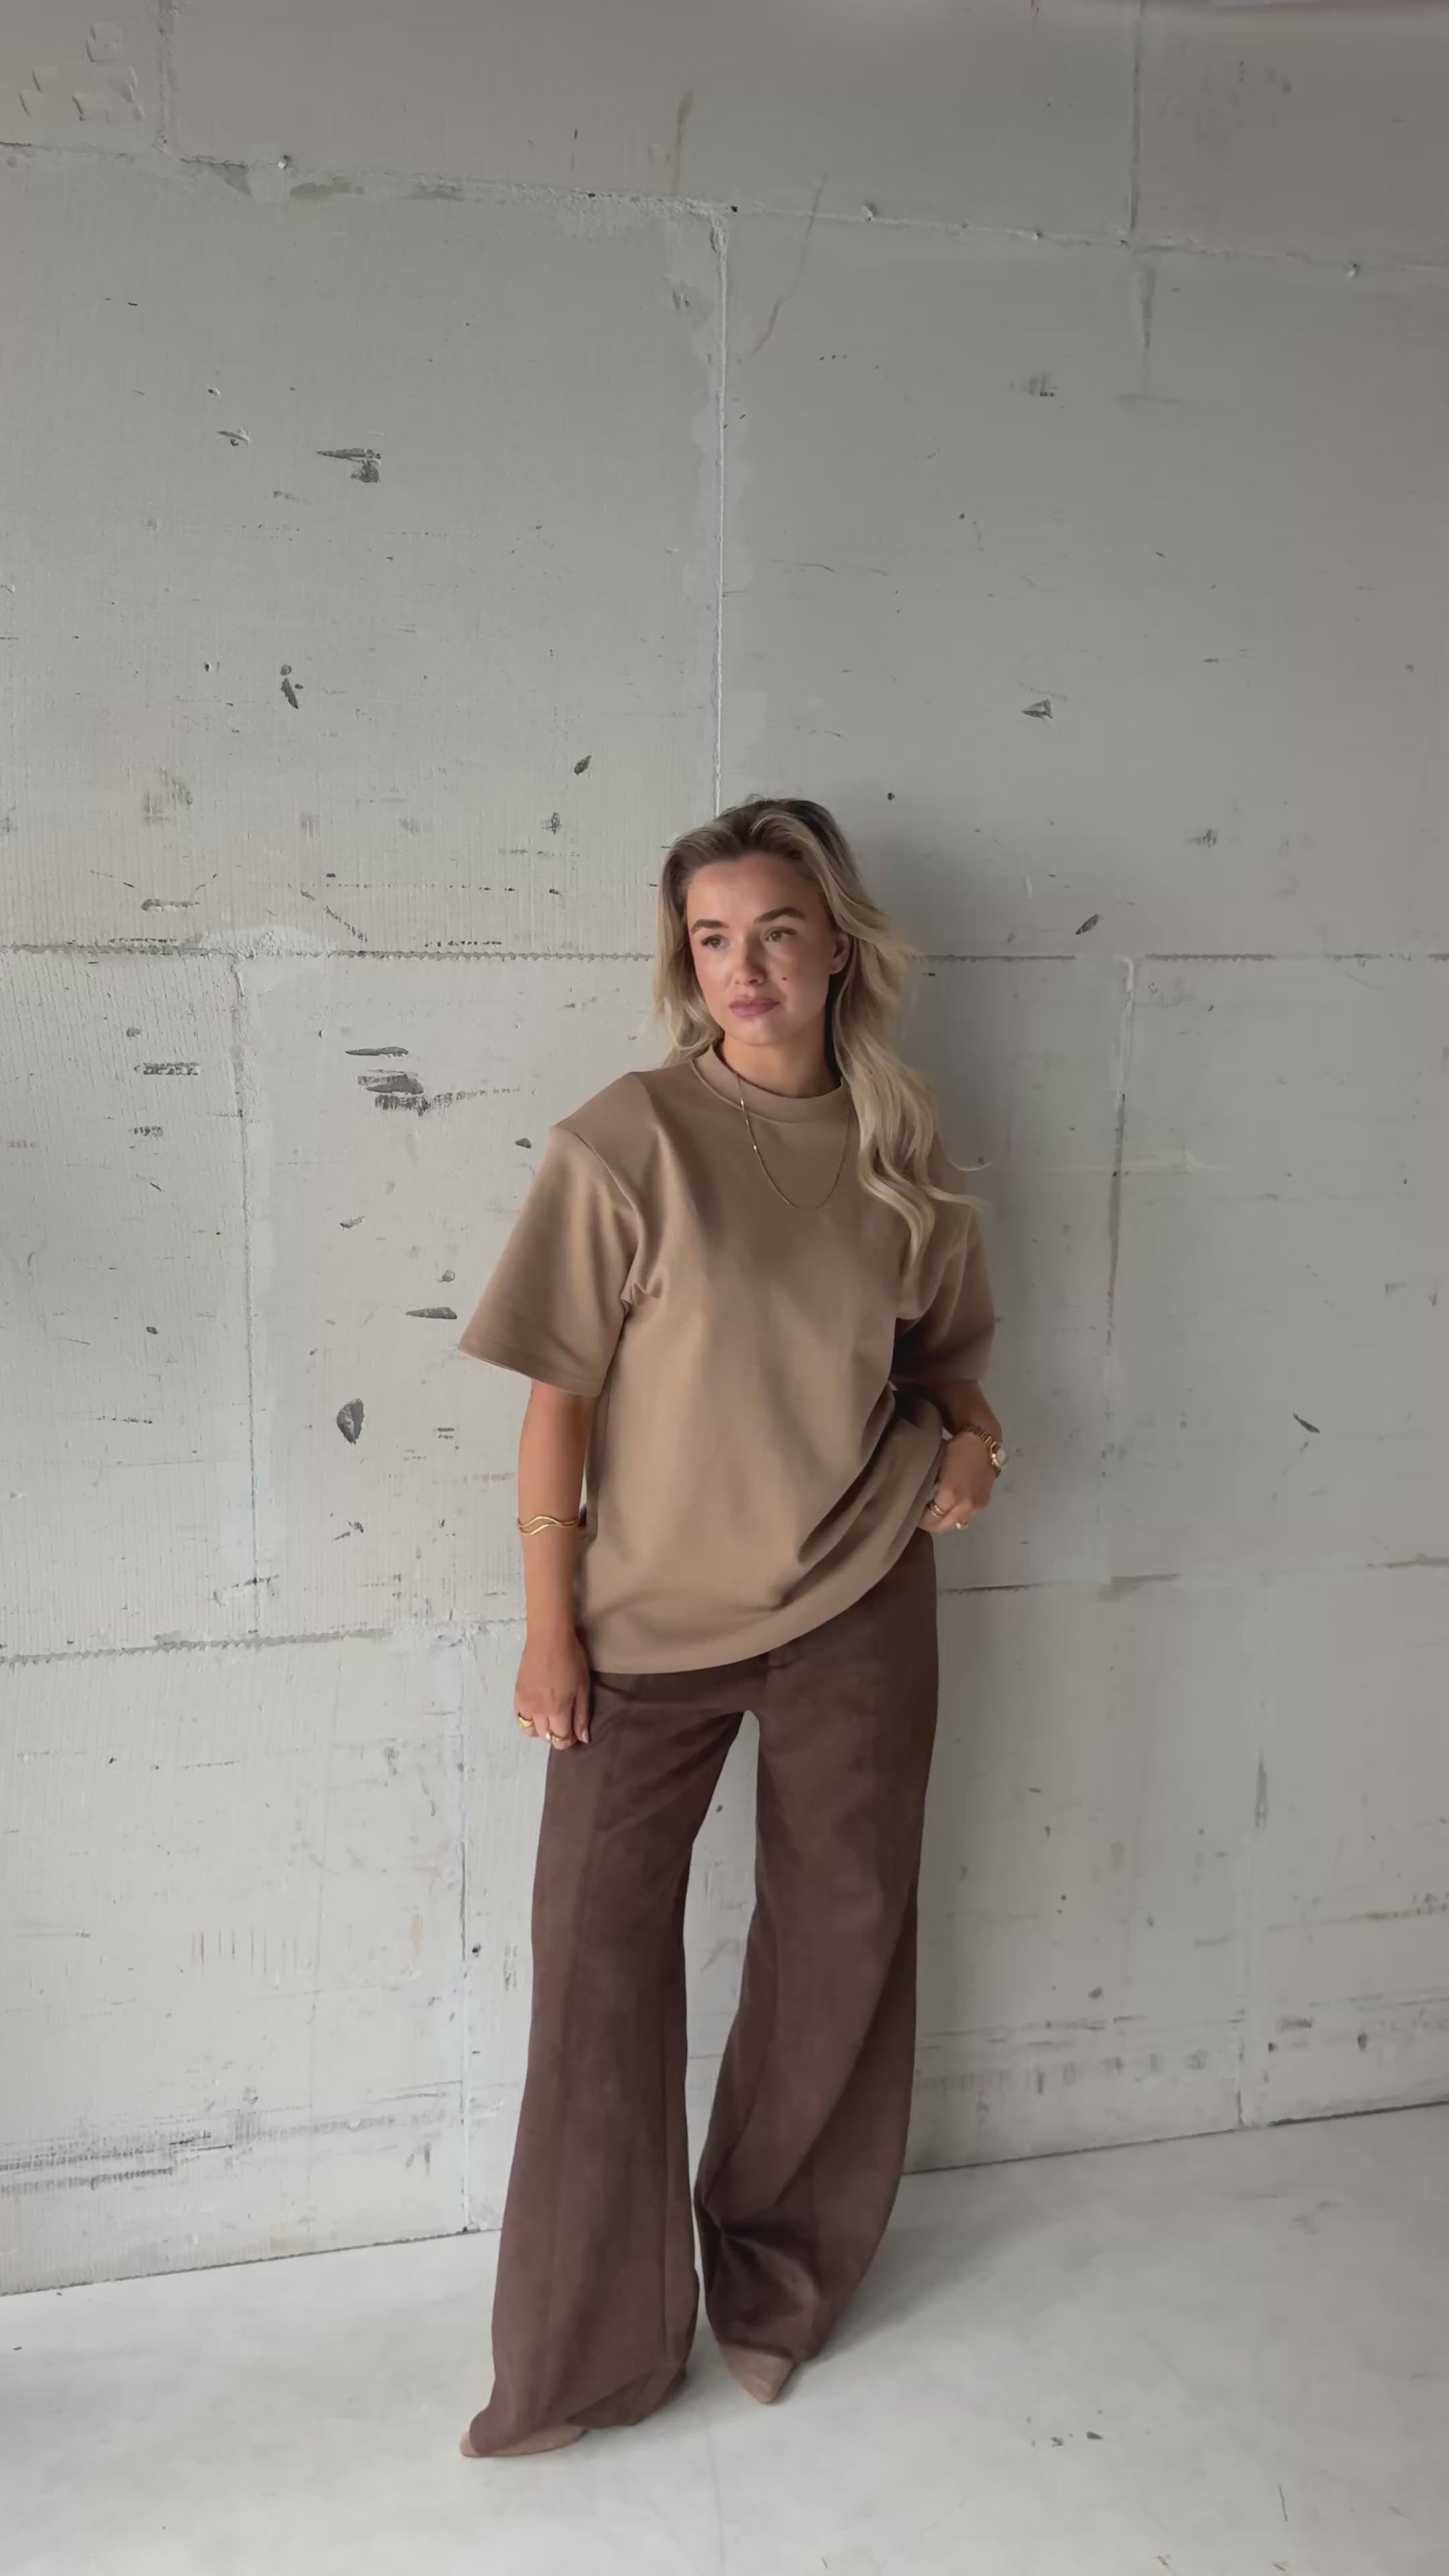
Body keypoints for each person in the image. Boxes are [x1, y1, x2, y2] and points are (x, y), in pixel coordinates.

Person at [455, 795, 1005, 2458]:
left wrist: (974, 1443)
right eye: (710, 938)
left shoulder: (905, 1146)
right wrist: (550, 1631)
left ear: (836, 944)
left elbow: (945, 1362)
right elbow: (556, 1406)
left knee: (842, 1939)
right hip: (641, 1627)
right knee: (593, 1973)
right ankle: (585, 2358)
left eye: (773, 931)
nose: (742, 966)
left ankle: (774, 2282)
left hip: (858, 1592)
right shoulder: (625, 1142)